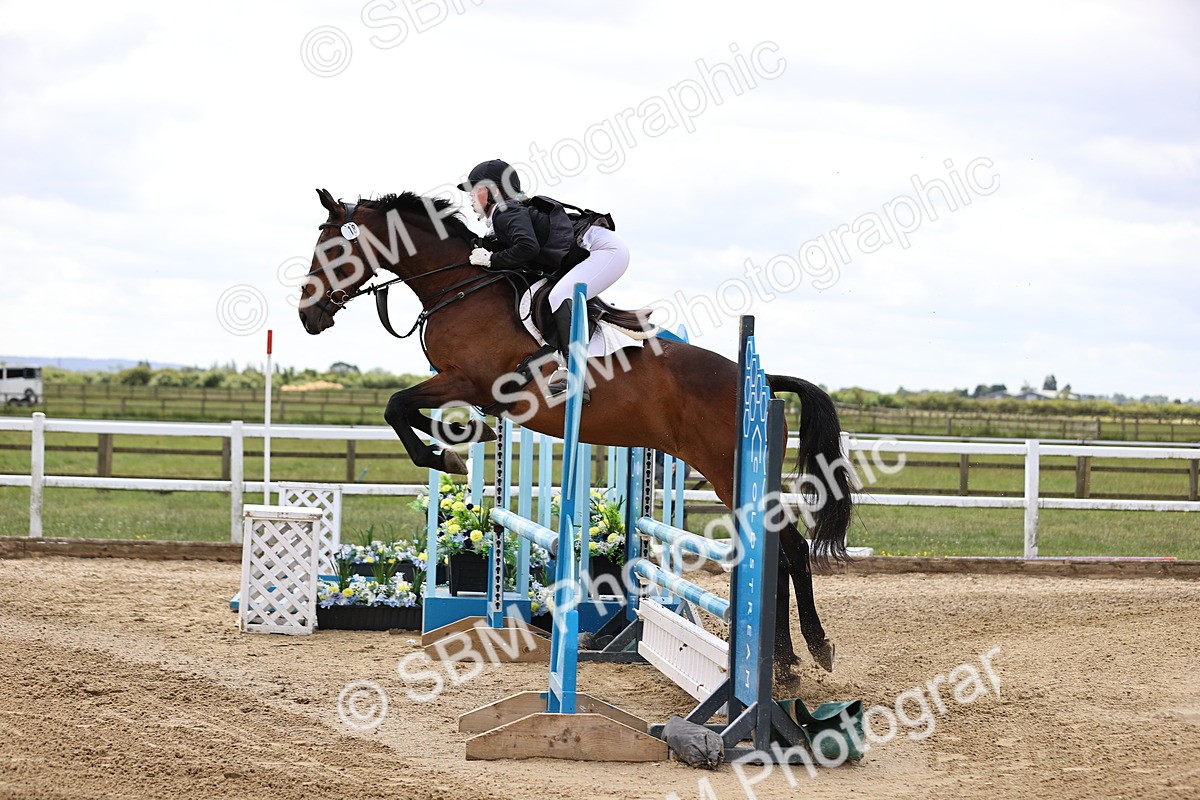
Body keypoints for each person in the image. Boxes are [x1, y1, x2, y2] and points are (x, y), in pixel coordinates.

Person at [458, 159, 630, 396]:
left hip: (606, 252)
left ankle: (577, 374)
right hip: (595, 250)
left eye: (476, 189)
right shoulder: (503, 215)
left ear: (494, 190)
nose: (470, 196)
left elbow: (527, 248)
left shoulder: (506, 211)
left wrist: (491, 260)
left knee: (561, 294)